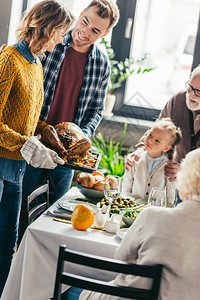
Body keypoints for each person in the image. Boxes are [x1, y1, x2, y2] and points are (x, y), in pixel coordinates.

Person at [0, 1, 74, 295]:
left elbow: (28, 118)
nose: (60, 40)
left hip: (17, 168)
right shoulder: (9, 61)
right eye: (59, 32)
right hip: (4, 166)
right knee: (5, 245)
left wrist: (50, 134)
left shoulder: (36, 63)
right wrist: (26, 143)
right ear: (46, 27)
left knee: (9, 244)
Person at [22, 0, 120, 206]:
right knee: (24, 208)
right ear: (81, 13)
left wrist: (82, 137)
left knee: (55, 213)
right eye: (84, 22)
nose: (85, 32)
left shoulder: (102, 65)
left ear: (104, 34)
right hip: (36, 142)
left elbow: (95, 110)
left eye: (95, 30)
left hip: (67, 157)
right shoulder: (51, 43)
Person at [78, 148, 200, 300]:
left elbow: (121, 257)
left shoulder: (152, 215)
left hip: (129, 296)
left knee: (81, 291)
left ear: (185, 183)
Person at [125, 65, 200, 184]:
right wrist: (139, 152)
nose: (191, 95)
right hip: (173, 181)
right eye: (190, 87)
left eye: (198, 92)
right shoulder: (178, 99)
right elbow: (157, 129)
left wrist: (187, 171)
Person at [121, 118, 182, 200]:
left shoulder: (169, 168)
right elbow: (125, 186)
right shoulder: (134, 160)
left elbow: (170, 197)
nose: (150, 141)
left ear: (166, 148)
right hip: (132, 208)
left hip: (155, 210)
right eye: (150, 135)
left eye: (157, 141)